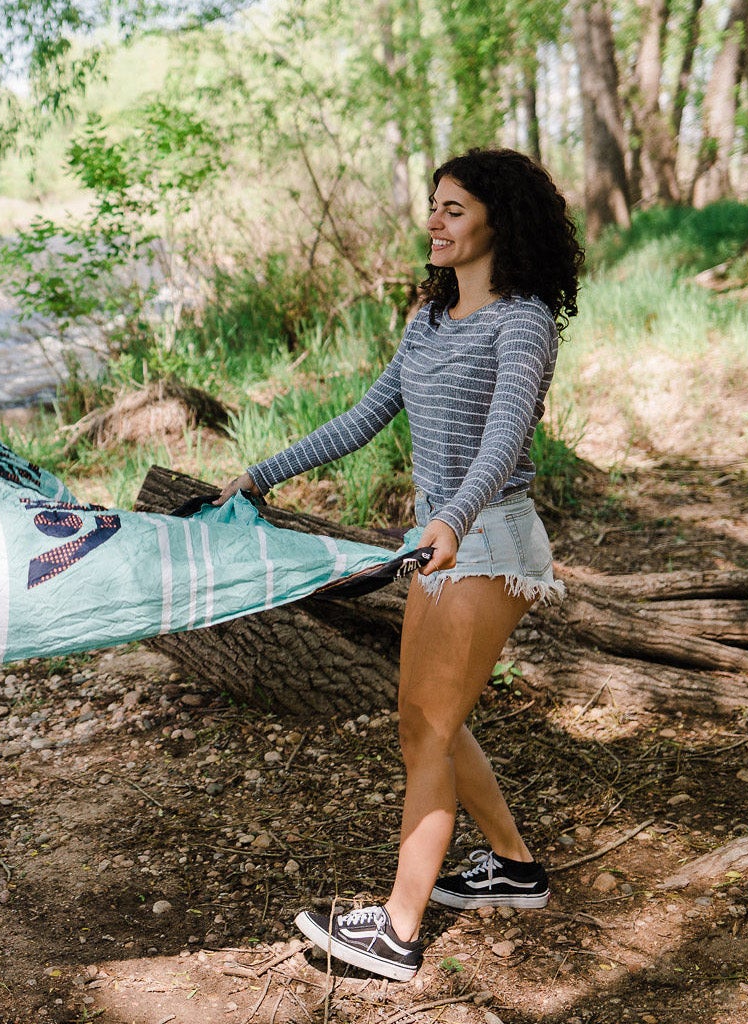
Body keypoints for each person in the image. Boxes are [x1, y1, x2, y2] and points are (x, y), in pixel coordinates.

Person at [215, 147, 583, 982]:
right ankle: (514, 867)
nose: (434, 222)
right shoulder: (429, 317)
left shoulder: (521, 320)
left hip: (488, 537)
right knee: (426, 719)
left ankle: (397, 932)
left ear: (498, 221)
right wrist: (261, 474)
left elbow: (504, 438)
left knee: (427, 731)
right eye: (433, 206)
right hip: (439, 537)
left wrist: (452, 517)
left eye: (454, 209)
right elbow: (365, 415)